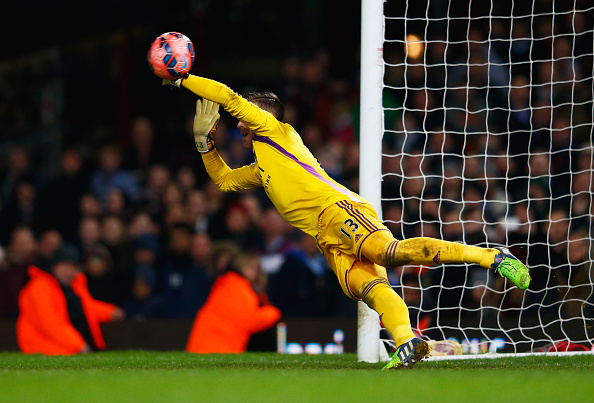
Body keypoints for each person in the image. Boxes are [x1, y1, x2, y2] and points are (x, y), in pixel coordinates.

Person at [162, 73, 531, 370]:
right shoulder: (262, 167)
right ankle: (408, 342)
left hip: (339, 210)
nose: (239, 124)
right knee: (372, 290)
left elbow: (228, 98)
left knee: (388, 253)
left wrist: (182, 78)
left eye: (245, 117)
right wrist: (204, 143)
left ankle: (491, 256)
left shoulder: (277, 132)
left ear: (264, 117)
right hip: (327, 240)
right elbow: (225, 181)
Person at [16, 244, 125, 355]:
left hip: (70, 347)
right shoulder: (39, 287)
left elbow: (86, 307)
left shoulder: (72, 286)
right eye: (65, 266)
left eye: (72, 267)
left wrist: (110, 312)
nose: (68, 271)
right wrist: (79, 345)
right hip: (46, 348)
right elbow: (49, 323)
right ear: (54, 267)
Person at [186, 252, 281, 354]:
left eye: (256, 268)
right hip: (213, 347)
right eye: (249, 267)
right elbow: (249, 321)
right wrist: (273, 312)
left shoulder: (229, 282)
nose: (253, 272)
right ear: (240, 266)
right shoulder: (236, 285)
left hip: (212, 344)